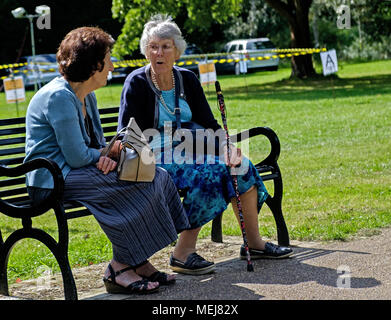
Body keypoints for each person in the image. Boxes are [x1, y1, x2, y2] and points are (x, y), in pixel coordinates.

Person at [118, 14, 293, 276]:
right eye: (153, 47)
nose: (159, 53)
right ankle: (182, 253)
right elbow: (126, 132)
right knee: (210, 172)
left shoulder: (187, 79)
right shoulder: (137, 82)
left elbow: (209, 123)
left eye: (165, 46)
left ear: (177, 50)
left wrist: (226, 146)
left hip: (193, 148)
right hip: (154, 155)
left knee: (240, 166)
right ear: (146, 52)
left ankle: (253, 243)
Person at [24, 26, 191, 294]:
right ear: (94, 64)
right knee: (132, 183)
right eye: (108, 58)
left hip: (76, 171)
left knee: (155, 174)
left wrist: (108, 154)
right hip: (51, 179)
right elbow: (78, 156)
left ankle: (136, 260)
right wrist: (107, 155)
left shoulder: (85, 95)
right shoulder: (59, 97)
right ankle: (119, 267)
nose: (112, 64)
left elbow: (97, 146)